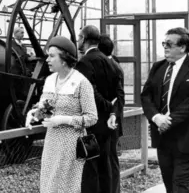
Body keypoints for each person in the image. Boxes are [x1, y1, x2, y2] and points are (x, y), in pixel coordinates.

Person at [141, 27, 189, 193]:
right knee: (169, 184)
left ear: (182, 47)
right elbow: (146, 96)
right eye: (163, 43)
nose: (165, 47)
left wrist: (168, 120)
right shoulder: (158, 67)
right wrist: (156, 117)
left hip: (188, 138)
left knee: (181, 185)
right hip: (163, 137)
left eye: (169, 44)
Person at [25, 36, 98, 193]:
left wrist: (64, 120)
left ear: (64, 59)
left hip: (71, 145)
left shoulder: (81, 83)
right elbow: (46, 108)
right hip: (51, 143)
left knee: (67, 187)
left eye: (52, 56)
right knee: (49, 185)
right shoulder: (50, 80)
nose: (47, 60)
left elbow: (92, 117)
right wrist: (35, 113)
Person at [75, 25, 120, 193]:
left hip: (91, 125)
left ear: (85, 39)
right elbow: (117, 93)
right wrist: (111, 110)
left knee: (89, 169)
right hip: (107, 125)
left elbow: (89, 92)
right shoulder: (110, 61)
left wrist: (106, 105)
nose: (78, 41)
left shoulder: (85, 62)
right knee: (104, 167)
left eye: (79, 37)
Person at [98, 34, 125, 193]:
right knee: (110, 159)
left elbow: (118, 96)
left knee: (110, 159)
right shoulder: (114, 63)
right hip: (113, 119)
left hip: (110, 119)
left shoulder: (110, 66)